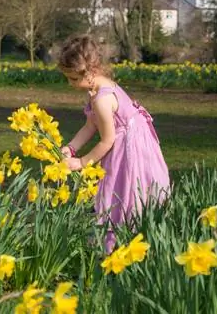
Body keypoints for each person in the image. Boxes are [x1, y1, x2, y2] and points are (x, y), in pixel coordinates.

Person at [58, 34, 170, 253]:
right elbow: (91, 125)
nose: (69, 84)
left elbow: (107, 140)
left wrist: (81, 162)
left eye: (72, 78)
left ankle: (123, 246)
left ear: (89, 72)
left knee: (124, 193)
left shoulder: (102, 99)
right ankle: (124, 243)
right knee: (120, 193)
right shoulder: (96, 90)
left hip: (129, 151)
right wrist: (71, 147)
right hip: (124, 143)